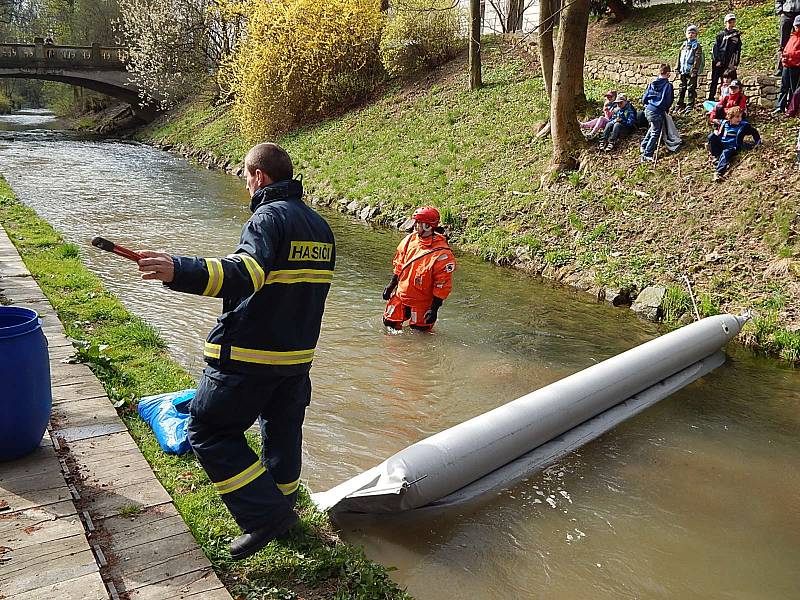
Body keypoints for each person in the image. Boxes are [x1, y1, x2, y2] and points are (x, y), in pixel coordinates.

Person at [136, 143, 335, 560]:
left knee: (209, 431)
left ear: (259, 177)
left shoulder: (268, 218)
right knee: (282, 433)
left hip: (248, 357)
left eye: (246, 176)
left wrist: (179, 269)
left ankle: (266, 517)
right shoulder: (320, 227)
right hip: (296, 360)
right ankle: (283, 506)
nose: (246, 183)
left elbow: (244, 275)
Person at [382, 206, 456, 331]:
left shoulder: (442, 254)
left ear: (428, 226)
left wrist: (434, 309)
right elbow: (399, 265)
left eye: (419, 223)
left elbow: (442, 284)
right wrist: (391, 286)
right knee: (389, 324)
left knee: (419, 333)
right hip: (401, 294)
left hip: (422, 302)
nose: (415, 226)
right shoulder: (409, 240)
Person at [706, 106, 761, 180]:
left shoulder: (743, 126)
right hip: (722, 144)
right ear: (730, 118)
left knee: (725, 153)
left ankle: (719, 172)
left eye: (740, 117)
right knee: (711, 136)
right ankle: (717, 156)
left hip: (732, 147)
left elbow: (754, 132)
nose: (739, 119)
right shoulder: (724, 123)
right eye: (737, 117)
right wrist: (712, 120)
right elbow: (713, 120)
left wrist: (758, 141)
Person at [640, 63, 674, 162]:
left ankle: (644, 145)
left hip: (648, 109)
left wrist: (647, 105)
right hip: (657, 111)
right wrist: (665, 109)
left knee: (652, 128)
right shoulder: (667, 86)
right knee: (655, 132)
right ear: (668, 73)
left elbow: (644, 98)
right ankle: (647, 153)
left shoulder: (652, 84)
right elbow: (668, 101)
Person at [708, 14, 742, 101]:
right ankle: (711, 99)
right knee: (714, 81)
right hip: (718, 63)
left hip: (729, 63)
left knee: (730, 81)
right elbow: (715, 49)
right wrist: (717, 60)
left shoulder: (736, 35)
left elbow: (738, 50)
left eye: (733, 22)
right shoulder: (720, 35)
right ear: (725, 23)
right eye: (729, 22)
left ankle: (731, 100)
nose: (731, 24)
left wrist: (735, 63)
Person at [676, 24, 705, 113]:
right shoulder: (683, 45)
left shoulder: (697, 46)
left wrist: (694, 70)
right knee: (682, 88)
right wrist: (677, 68)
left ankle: (690, 105)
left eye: (693, 33)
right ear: (686, 34)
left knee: (691, 88)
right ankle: (679, 104)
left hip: (691, 71)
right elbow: (679, 57)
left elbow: (697, 59)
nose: (691, 34)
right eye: (689, 32)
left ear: (696, 35)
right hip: (683, 70)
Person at [774, 15, 800, 113]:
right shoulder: (792, 36)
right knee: (784, 87)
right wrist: (784, 57)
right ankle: (780, 106)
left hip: (796, 66)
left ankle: (792, 108)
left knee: (794, 89)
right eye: (796, 25)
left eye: (799, 25)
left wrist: (793, 57)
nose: (797, 27)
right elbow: (787, 49)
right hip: (787, 64)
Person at [775, 0, 800, 75]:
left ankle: (796, 66)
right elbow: (778, 1)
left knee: (798, 42)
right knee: (783, 43)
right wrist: (780, 12)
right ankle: (780, 68)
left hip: (798, 16)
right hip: (786, 14)